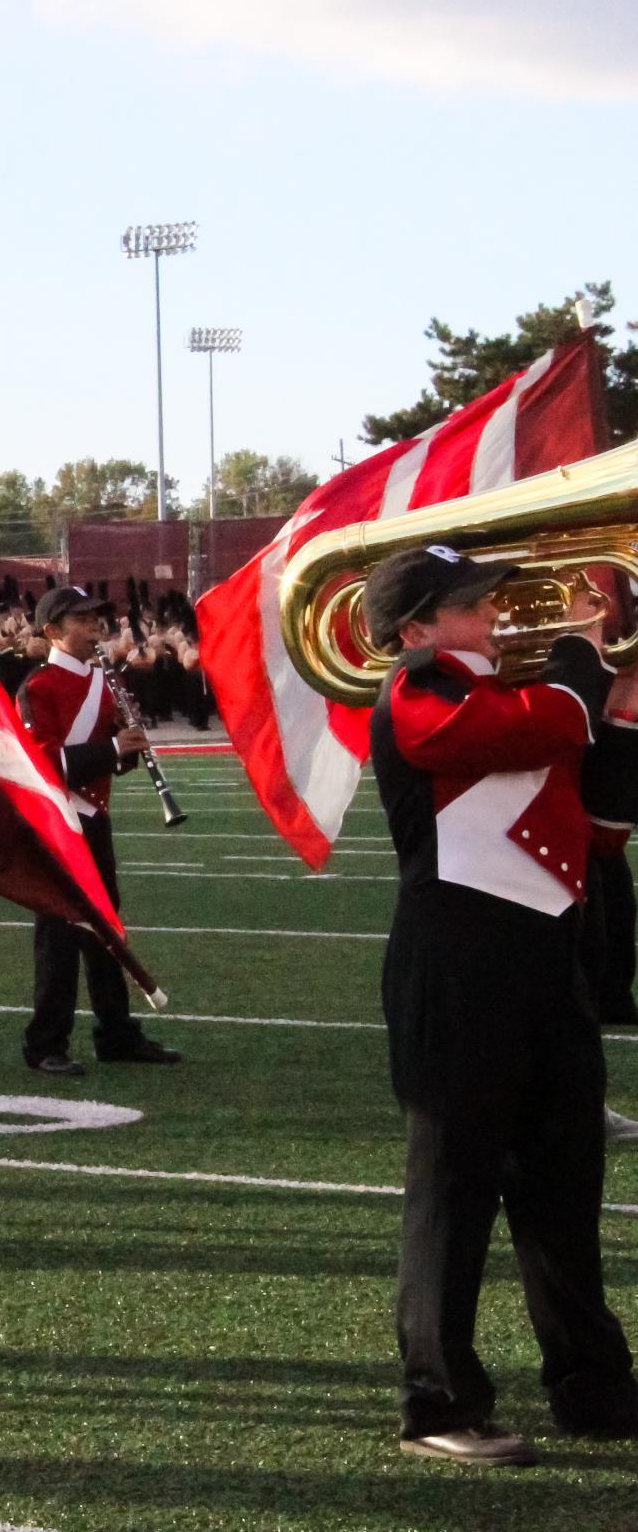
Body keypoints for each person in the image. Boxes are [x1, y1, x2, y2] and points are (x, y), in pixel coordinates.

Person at [363, 545, 638, 1465]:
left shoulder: (531, 700)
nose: (500, 610)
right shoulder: (418, 689)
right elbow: (503, 734)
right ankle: (437, 1403)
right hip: (455, 964)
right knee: (454, 1189)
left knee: (565, 1187)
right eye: (476, 602)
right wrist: (577, 662)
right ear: (415, 627)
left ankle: (594, 1390)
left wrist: (621, 704)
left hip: (546, 956)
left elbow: (600, 817)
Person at [16, 585, 182, 1075]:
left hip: (94, 819)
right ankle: (45, 1042)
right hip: (56, 822)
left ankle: (116, 1033)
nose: (94, 628)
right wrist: (112, 751)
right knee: (59, 935)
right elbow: (37, 763)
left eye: (95, 620)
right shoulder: (38, 687)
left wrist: (127, 752)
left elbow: (110, 764)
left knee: (107, 928)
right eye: (82, 621)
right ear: (53, 631)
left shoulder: (105, 682)